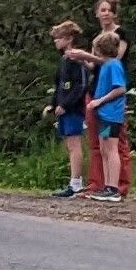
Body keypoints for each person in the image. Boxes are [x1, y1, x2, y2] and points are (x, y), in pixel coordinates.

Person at [68, 0, 133, 196]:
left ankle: (118, 186)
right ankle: (99, 183)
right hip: (95, 90)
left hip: (109, 95)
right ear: (97, 13)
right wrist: (79, 58)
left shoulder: (118, 36)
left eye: (108, 9)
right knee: (97, 142)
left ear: (114, 13)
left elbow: (112, 60)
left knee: (116, 143)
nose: (105, 13)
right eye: (102, 9)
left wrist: (86, 55)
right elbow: (93, 66)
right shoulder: (97, 38)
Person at [43, 20, 90, 198]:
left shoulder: (76, 59)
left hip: (73, 110)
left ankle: (76, 184)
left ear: (69, 39)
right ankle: (73, 182)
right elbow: (59, 85)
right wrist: (53, 103)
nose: (56, 42)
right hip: (63, 109)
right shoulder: (63, 60)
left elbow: (81, 85)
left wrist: (66, 104)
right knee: (69, 145)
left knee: (74, 144)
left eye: (59, 38)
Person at [84, 30, 129, 202]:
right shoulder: (105, 66)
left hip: (111, 114)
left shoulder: (114, 66)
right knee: (103, 149)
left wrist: (99, 101)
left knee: (111, 149)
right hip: (102, 114)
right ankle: (106, 186)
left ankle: (113, 188)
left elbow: (120, 89)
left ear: (101, 49)